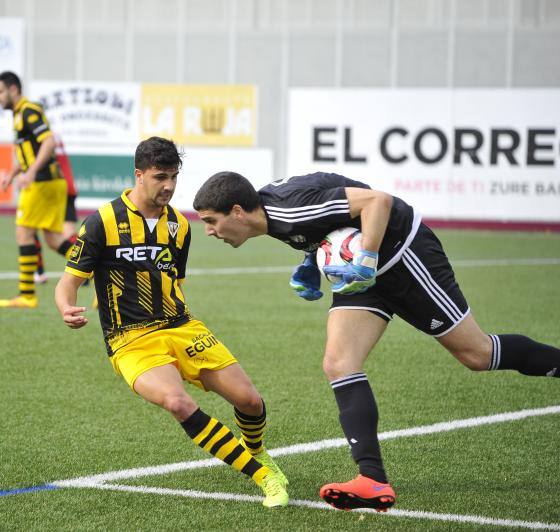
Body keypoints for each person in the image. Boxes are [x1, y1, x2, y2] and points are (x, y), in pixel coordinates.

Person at [192, 171, 560, 512]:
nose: (209, 230)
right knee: (339, 363)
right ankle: (371, 480)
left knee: (477, 354)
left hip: (403, 256)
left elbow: (377, 201)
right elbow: (326, 215)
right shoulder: (270, 216)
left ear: (238, 211)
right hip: (363, 275)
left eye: (212, 220)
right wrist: (311, 258)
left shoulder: (289, 211)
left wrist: (365, 258)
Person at [54, 137, 289, 508]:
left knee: (250, 400)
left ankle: (256, 452)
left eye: (174, 177)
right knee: (178, 402)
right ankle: (265, 477)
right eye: (160, 176)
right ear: (139, 174)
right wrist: (67, 307)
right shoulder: (101, 222)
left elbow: (175, 280)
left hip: (180, 325)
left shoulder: (180, 225)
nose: (168, 185)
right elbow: (68, 283)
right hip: (130, 339)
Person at [0, 71, 77, 308]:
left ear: (13, 89)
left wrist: (30, 173)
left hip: (43, 182)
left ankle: (27, 294)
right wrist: (13, 173)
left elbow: (48, 141)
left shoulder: (28, 110)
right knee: (53, 239)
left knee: (24, 232)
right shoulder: (20, 114)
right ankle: (98, 271)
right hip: (47, 182)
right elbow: (31, 151)